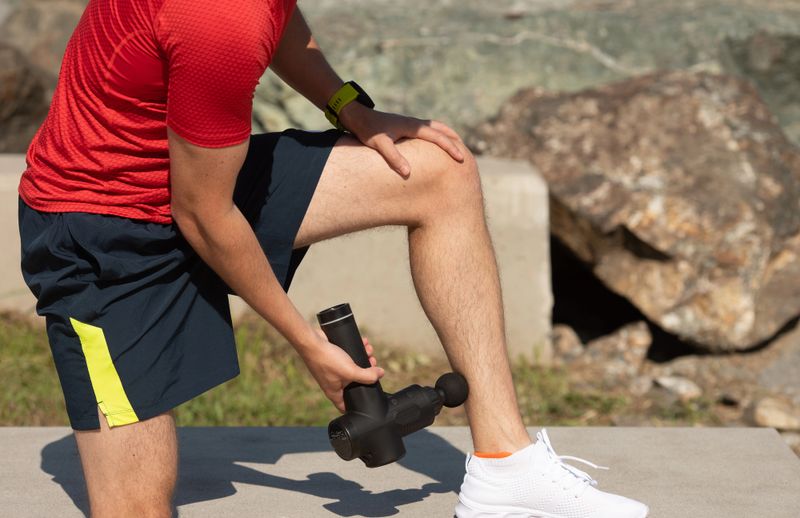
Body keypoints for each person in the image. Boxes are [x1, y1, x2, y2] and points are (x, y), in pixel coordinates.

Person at [17, 0, 650, 517]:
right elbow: (204, 216)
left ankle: (505, 465)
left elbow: (285, 28)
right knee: (134, 510)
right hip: (102, 235)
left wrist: (352, 108)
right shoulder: (217, 18)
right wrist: (307, 342)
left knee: (438, 171)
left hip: (191, 179)